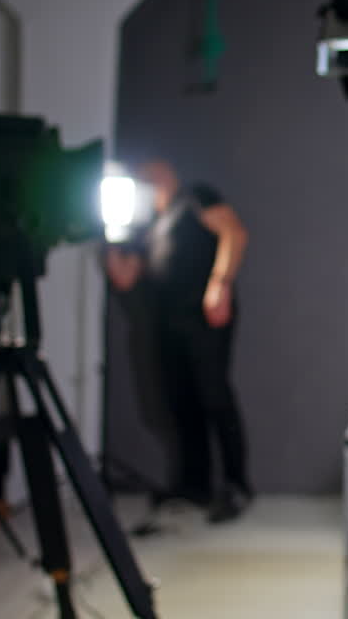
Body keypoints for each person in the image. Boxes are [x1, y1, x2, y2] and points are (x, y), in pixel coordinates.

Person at [105, 159, 252, 523]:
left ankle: (236, 485)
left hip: (204, 315)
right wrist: (109, 235)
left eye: (154, 171)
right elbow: (125, 279)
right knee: (180, 403)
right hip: (164, 322)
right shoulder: (145, 224)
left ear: (168, 173)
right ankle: (194, 486)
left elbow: (234, 234)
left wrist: (220, 283)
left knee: (214, 396)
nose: (150, 177)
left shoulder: (195, 197)